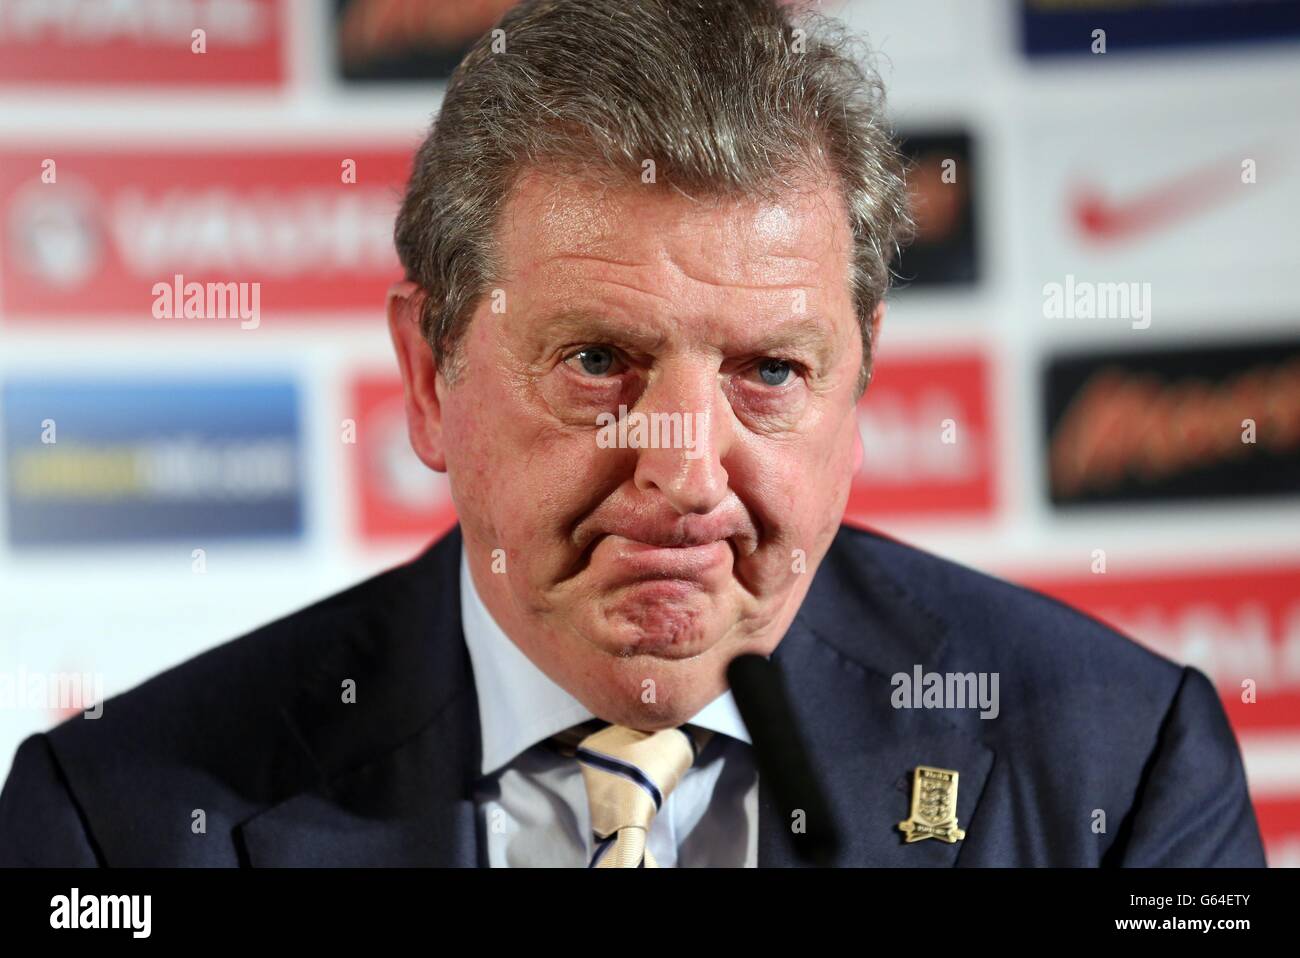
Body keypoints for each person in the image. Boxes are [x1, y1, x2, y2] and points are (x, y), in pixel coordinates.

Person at [0, 0, 1264, 867]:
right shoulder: (115, 818)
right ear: (430, 378)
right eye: (600, 361)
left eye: (770, 370)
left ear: (859, 382)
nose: (683, 471)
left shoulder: (1120, 766)